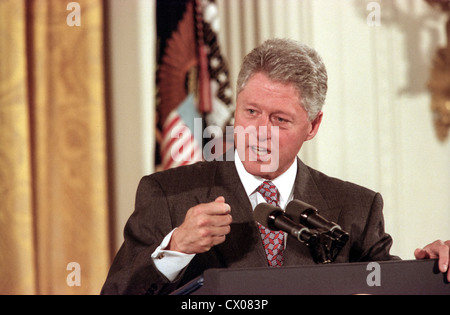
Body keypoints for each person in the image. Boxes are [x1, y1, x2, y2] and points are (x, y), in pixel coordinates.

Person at [101, 39, 450, 295]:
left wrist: (431, 269)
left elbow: (388, 285)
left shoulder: (356, 207)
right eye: (250, 112)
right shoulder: (169, 195)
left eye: (280, 119)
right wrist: (175, 247)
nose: (259, 132)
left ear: (313, 126)